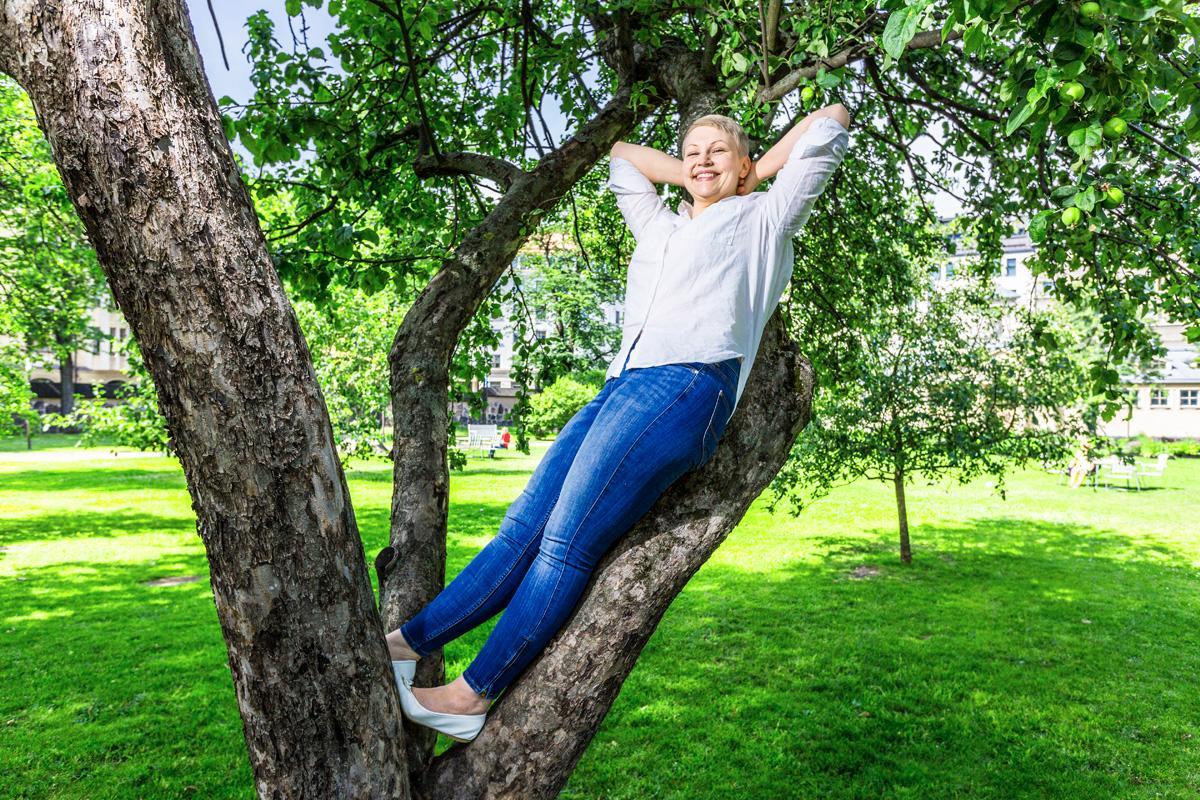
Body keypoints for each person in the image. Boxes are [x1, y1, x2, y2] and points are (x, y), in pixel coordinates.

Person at [387, 103, 852, 742]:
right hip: (621, 384)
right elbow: (623, 158)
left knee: (564, 542)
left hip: (688, 382)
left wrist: (752, 173)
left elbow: (831, 116)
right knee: (522, 529)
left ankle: (471, 696)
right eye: (692, 151)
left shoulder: (765, 219)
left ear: (746, 166)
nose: (702, 159)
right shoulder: (659, 229)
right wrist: (704, 170)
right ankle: (407, 645)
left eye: (720, 150)